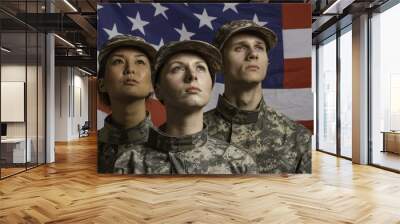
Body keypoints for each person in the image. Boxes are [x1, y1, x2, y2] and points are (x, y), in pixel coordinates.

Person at [114, 40, 258, 174]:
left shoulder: (239, 163)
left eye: (200, 68)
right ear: (158, 90)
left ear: (211, 86)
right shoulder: (129, 163)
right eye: (177, 68)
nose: (192, 75)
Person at [204, 20, 312, 174]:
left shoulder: (298, 138)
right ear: (219, 62)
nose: (253, 54)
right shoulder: (194, 133)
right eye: (240, 48)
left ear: (267, 62)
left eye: (259, 48)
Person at [97, 35, 156, 173]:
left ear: (153, 84)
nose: (130, 69)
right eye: (118, 61)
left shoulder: (168, 148)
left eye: (140, 62)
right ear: (102, 83)